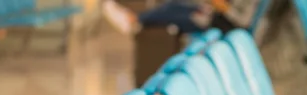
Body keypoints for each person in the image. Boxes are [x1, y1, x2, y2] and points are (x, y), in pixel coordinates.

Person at [102, 0, 261, 35]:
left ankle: (134, 20)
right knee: (174, 6)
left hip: (224, 25)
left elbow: (240, 18)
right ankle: (136, 20)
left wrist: (217, 4)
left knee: (178, 16)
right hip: (217, 17)